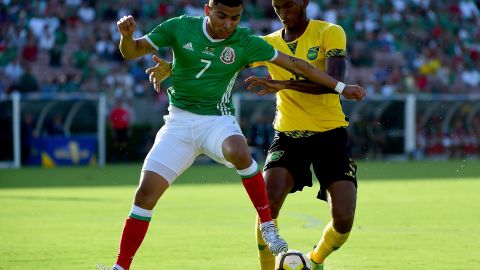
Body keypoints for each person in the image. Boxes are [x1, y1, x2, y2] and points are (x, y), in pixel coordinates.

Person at [101, 0, 365, 269]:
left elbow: (306, 68)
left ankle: (293, 244)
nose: (228, 24)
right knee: (145, 194)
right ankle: (120, 267)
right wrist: (155, 55)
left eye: (235, 18)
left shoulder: (313, 33)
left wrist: (341, 87)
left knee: (341, 215)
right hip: (201, 126)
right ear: (207, 10)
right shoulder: (187, 27)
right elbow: (146, 52)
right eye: (222, 16)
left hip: (299, 129)